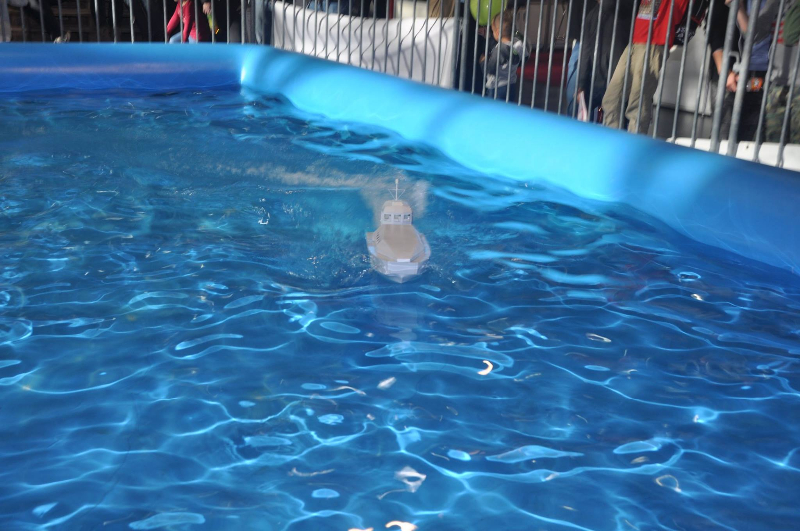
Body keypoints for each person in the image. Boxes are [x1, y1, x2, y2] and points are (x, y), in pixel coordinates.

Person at [602, 0, 690, 133]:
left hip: (653, 43)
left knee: (638, 103)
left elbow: (677, 13)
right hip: (636, 41)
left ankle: (634, 142)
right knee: (611, 99)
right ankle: (613, 139)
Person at [576, 0, 636, 121]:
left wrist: (581, 84)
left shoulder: (622, 8)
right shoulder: (594, 14)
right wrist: (581, 84)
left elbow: (585, 52)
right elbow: (585, 51)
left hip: (608, 80)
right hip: (607, 80)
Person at [765, 0, 800, 141]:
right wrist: (738, 8)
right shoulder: (776, 3)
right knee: (772, 142)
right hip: (777, 83)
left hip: (797, 84)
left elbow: (790, 36)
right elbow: (753, 34)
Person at [480, 9, 530, 100]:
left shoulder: (498, 51)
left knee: (494, 108)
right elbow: (525, 58)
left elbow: (489, 69)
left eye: (493, 31)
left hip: (496, 87)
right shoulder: (519, 44)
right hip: (511, 85)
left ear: (498, 33)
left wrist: (483, 61)